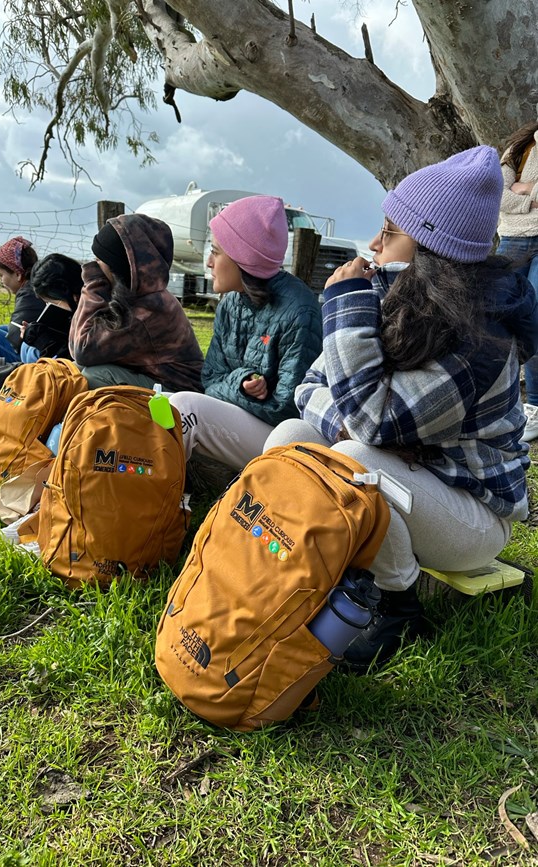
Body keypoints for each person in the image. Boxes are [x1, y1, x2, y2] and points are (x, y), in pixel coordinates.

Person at [263, 146, 538, 670]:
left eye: (389, 232)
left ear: (429, 247)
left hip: (472, 517)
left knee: (353, 457)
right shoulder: (402, 300)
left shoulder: (481, 341)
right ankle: (303, 571)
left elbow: (369, 422)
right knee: (290, 439)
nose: (372, 244)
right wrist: (354, 419)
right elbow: (311, 386)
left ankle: (398, 604)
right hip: (410, 480)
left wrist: (344, 307)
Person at [168, 195, 323, 471]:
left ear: (243, 258)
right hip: (242, 421)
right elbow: (210, 378)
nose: (208, 263)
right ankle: (143, 482)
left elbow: (287, 409)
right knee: (163, 404)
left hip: (282, 441)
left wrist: (234, 390)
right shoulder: (230, 302)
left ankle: (151, 499)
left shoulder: (300, 311)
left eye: (216, 252)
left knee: (184, 407)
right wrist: (241, 383)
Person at [68, 214, 204, 392]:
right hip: (155, 382)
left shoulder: (149, 308)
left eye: (99, 260)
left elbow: (82, 349)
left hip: (178, 393)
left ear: (119, 266)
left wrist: (94, 282)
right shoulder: (138, 296)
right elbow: (76, 349)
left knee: (95, 377)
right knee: (74, 370)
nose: (93, 265)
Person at [497, 119, 538, 441]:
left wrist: (522, 191)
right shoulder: (519, 148)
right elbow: (499, 196)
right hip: (512, 239)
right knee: (499, 315)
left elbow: (513, 195)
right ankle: (499, 399)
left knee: (535, 320)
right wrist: (531, 197)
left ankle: (534, 407)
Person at [0, 236, 45, 363]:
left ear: (18, 274)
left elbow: (16, 339)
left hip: (39, 359)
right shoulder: (37, 285)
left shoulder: (29, 294)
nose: (0, 281)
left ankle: (0, 379)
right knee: (2, 329)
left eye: (1, 275)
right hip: (51, 347)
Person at [24, 253, 83, 360]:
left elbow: (71, 358)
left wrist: (43, 341)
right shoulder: (79, 307)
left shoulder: (93, 317)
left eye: (53, 304)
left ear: (74, 296)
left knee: (33, 352)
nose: (49, 307)